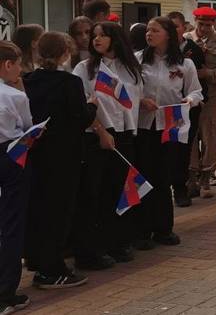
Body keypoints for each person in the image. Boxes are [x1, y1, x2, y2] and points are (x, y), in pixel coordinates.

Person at [23, 33, 96, 289]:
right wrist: (92, 106)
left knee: (39, 208)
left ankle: (37, 259)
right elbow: (79, 119)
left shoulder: (29, 80)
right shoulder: (69, 82)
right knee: (59, 211)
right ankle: (51, 268)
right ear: (66, 52)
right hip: (64, 155)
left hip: (37, 153)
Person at [72, 21, 143, 269]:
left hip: (125, 134)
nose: (97, 40)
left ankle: (118, 241)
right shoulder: (85, 68)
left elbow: (135, 98)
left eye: (103, 35)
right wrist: (100, 130)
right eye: (94, 36)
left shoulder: (130, 67)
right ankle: (94, 247)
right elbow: (81, 104)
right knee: (95, 192)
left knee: (119, 189)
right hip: (97, 135)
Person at [133, 17, 202, 247]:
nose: (149, 34)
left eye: (155, 30)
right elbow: (129, 92)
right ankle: (141, 230)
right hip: (144, 125)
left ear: (168, 34)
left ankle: (163, 229)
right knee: (144, 175)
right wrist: (141, 101)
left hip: (170, 125)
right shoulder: (138, 60)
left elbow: (196, 92)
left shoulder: (184, 63)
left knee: (163, 177)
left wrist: (189, 100)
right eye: (148, 30)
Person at [0, 41, 35, 313]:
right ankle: (5, 292)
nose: (21, 70)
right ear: (8, 65)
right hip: (10, 155)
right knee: (11, 222)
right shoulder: (14, 96)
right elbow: (26, 127)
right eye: (18, 64)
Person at [186, 7, 216, 197]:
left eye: (208, 25)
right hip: (190, 97)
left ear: (214, 24)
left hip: (211, 97)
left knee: (210, 136)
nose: (204, 28)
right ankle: (191, 175)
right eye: (201, 24)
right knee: (191, 136)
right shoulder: (186, 39)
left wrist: (209, 73)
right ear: (195, 21)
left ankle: (206, 176)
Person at [167, 12, 205, 207]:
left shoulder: (190, 55)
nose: (173, 31)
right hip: (156, 114)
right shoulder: (144, 59)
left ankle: (180, 188)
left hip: (182, 112)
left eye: (176, 26)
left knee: (182, 151)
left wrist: (190, 100)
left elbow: (197, 89)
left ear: (184, 28)